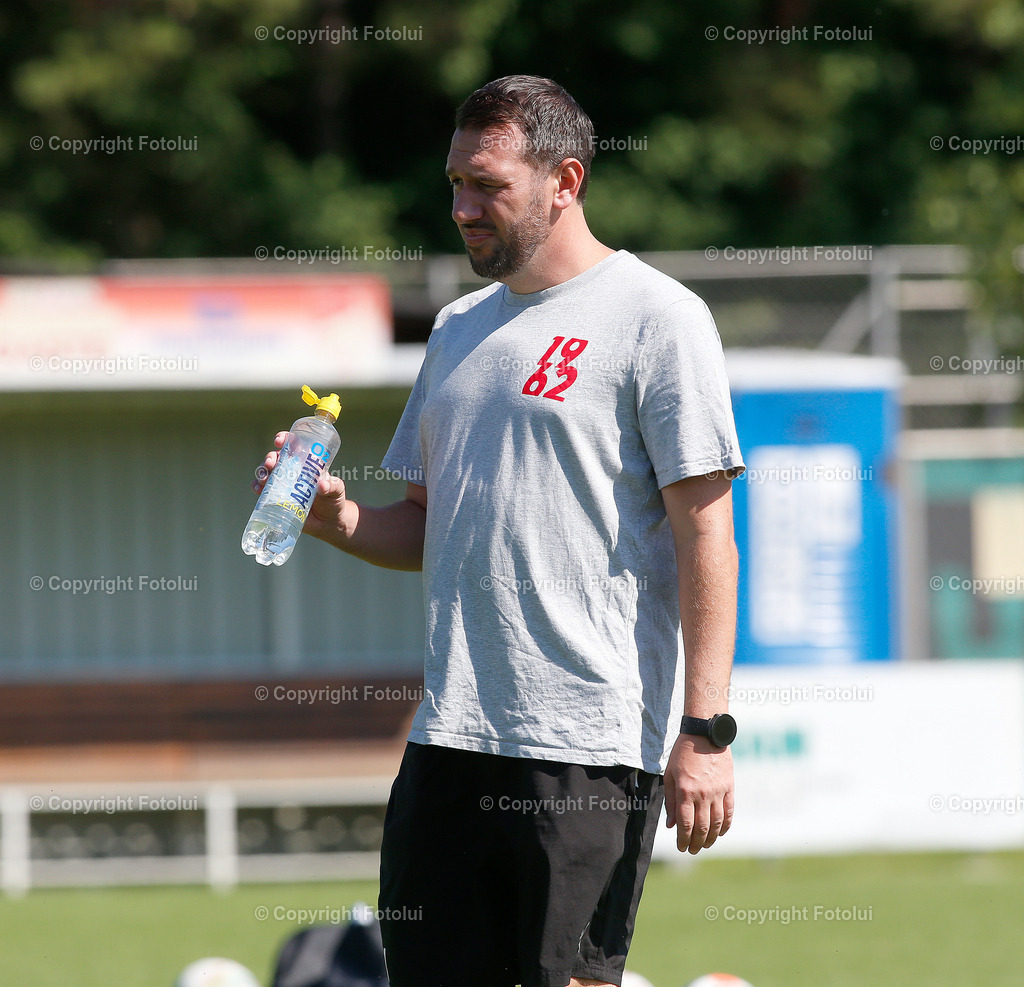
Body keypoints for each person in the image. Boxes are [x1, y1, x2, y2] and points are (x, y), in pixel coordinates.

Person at [253, 75, 744, 987]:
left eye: (488, 185)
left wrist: (706, 730)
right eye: (454, 183)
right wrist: (333, 518)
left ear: (565, 179)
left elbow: (707, 535)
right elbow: (427, 528)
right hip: (449, 739)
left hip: (587, 748)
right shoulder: (455, 330)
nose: (462, 208)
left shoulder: (660, 319)